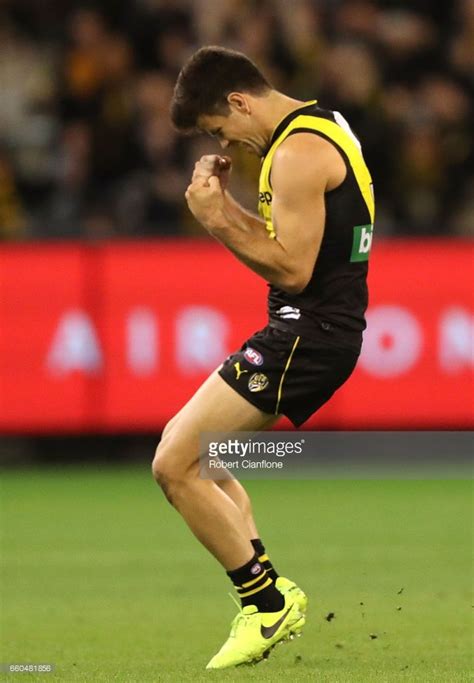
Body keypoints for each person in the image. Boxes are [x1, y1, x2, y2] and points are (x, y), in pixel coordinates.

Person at [152, 45, 375, 670]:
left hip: (308, 333)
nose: (230, 142)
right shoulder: (321, 125)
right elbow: (297, 245)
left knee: (173, 463)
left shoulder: (297, 154)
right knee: (210, 463)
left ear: (239, 101)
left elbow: (294, 269)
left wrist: (217, 218)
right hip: (312, 330)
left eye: (221, 129)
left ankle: (266, 602)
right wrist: (231, 210)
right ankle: (269, 593)